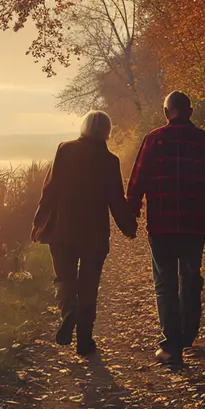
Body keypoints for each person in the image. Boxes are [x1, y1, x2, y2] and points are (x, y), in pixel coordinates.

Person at [127, 91, 205, 366]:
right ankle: (188, 335)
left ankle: (171, 346)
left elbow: (137, 180)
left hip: (161, 224)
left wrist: (130, 216)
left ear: (166, 112)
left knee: (165, 284)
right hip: (194, 224)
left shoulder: (154, 140)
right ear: (190, 111)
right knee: (189, 278)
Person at [32, 110, 137, 357]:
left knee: (65, 279)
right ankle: (84, 342)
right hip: (94, 235)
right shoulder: (110, 161)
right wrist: (128, 226)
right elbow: (115, 200)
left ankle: (69, 311)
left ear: (83, 127)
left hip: (63, 231)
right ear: (106, 132)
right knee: (89, 287)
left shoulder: (64, 150)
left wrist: (38, 221)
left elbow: (50, 189)